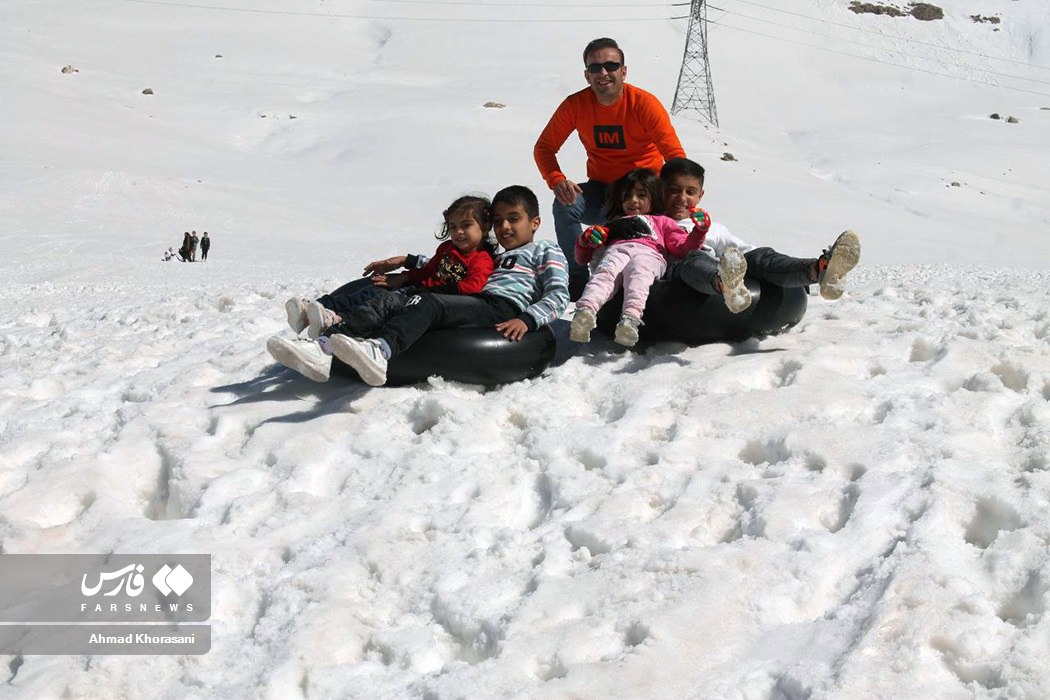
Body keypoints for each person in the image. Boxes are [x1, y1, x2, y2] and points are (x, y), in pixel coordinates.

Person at [324, 185, 569, 387]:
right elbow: (452, 266)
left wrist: (527, 319)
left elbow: (558, 294)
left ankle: (380, 351)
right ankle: (336, 328)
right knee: (407, 300)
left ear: (535, 222)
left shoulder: (545, 249)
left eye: (513, 219)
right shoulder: (497, 257)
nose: (504, 227)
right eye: (498, 220)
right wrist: (407, 261)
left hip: (503, 308)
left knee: (428, 302)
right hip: (480, 302)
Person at [268, 195, 499, 382]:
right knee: (375, 291)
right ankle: (321, 320)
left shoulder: (482, 259)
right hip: (417, 291)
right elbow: (428, 270)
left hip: (432, 301)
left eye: (466, 225)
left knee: (382, 306)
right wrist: (405, 278)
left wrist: (434, 289)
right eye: (453, 226)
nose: (458, 232)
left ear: (485, 226)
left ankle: (327, 343)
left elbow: (473, 286)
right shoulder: (447, 249)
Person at [534, 37, 686, 300]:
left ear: (623, 71)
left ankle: (669, 274)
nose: (603, 73)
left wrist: (677, 200)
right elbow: (544, 148)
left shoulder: (644, 104)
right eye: (595, 68)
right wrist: (557, 179)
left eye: (611, 66)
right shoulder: (575, 105)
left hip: (647, 196)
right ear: (586, 75)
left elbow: (675, 157)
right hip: (604, 193)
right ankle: (577, 278)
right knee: (566, 204)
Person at [660, 157, 861, 311]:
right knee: (694, 257)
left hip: (720, 267)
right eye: (674, 190)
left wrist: (766, 261)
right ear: (661, 191)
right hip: (684, 277)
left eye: (690, 192)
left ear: (700, 195)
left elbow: (743, 252)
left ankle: (820, 269)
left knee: (760, 257)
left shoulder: (713, 227)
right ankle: (724, 284)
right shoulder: (652, 223)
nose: (682, 198)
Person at [570, 168, 709, 347]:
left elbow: (683, 248)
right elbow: (582, 258)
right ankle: (585, 312)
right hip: (618, 251)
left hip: (649, 255)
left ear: (654, 196)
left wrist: (699, 231)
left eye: (641, 195)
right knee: (605, 273)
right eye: (627, 196)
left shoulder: (662, 222)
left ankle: (630, 319)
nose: (633, 201)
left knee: (639, 277)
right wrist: (585, 240)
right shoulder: (614, 225)